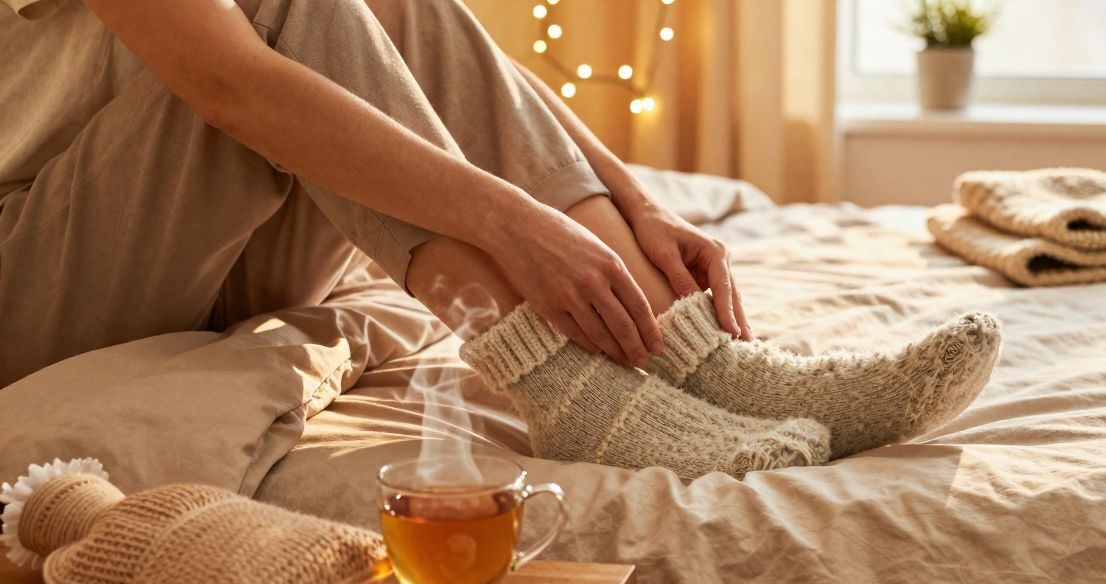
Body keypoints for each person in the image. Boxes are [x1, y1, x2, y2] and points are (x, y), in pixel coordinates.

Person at [0, 0, 1002, 479]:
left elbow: (439, 49)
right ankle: (564, 378)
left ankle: (691, 351)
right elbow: (232, 87)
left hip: (176, 255)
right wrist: (506, 219)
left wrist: (631, 199)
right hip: (33, 282)